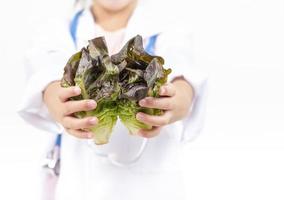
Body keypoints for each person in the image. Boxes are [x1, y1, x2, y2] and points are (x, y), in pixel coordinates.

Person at [18, 0, 208, 199]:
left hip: (151, 187)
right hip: (81, 185)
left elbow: (182, 68)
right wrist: (55, 95)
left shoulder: (170, 30)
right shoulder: (57, 30)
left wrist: (178, 100)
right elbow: (46, 68)